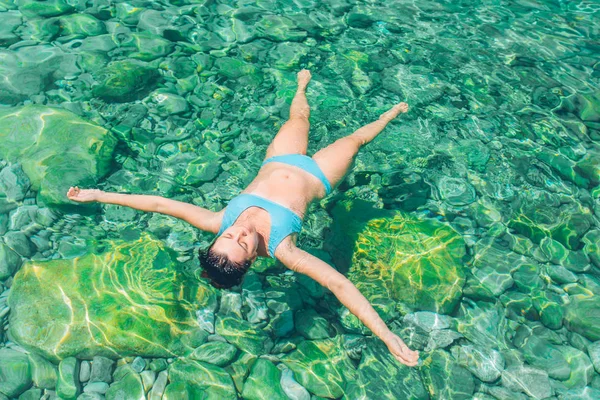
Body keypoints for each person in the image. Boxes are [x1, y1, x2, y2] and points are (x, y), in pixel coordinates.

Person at [67, 70, 419, 366]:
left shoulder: (217, 220)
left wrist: (98, 195)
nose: (240, 231)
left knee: (298, 118)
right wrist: (386, 336)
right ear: (253, 258)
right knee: (355, 140)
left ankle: (301, 87)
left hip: (279, 158)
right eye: (244, 243)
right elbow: (338, 284)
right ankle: (389, 116)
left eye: (228, 236)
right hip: (318, 175)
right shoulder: (285, 250)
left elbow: (158, 204)